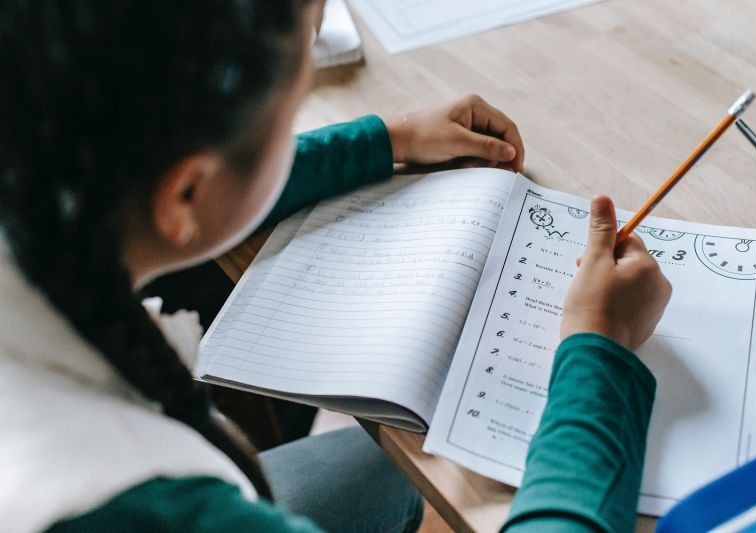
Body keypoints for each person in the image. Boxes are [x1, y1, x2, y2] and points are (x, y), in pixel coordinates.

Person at [0, 1, 671, 533]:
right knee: (396, 471)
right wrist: (598, 352)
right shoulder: (136, 505)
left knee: (375, 470)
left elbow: (202, 186)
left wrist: (390, 137)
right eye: (290, 109)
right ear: (184, 191)